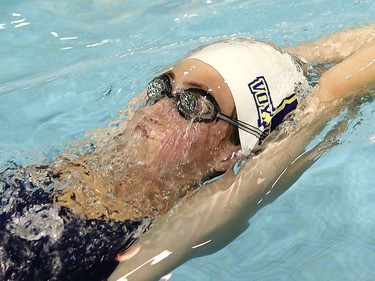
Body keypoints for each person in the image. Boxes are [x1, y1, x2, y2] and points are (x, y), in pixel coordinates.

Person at [1, 24, 374, 281]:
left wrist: (330, 91)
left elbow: (331, 91)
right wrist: (290, 63)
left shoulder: (159, 238)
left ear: (229, 154)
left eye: (194, 104)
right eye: (163, 86)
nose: (159, 108)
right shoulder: (98, 155)